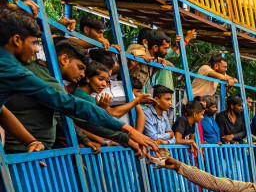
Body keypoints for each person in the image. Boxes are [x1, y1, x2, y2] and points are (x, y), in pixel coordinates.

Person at [0, 8, 157, 155]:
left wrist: (30, 141)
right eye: (34, 42)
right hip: (19, 154)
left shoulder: (14, 67)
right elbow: (71, 105)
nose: (36, 49)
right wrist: (128, 131)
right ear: (16, 40)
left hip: (30, 151)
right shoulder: (14, 70)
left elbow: (2, 111)